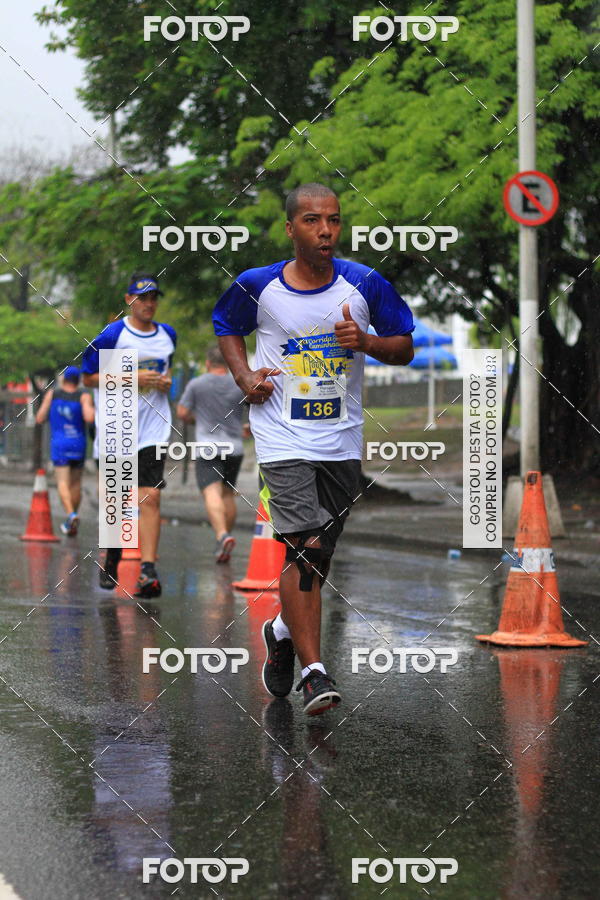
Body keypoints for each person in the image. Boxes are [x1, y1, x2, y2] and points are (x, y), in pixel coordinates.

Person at [213, 183, 414, 716]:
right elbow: (227, 326)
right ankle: (315, 672)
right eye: (312, 221)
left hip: (341, 440)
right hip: (281, 438)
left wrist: (367, 343)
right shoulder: (258, 286)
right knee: (302, 546)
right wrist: (243, 375)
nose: (325, 230)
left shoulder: (365, 283)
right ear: (291, 228)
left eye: (333, 220)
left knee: (318, 555)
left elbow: (404, 347)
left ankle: (281, 631)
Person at [82, 273, 176, 599]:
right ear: (128, 300)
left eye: (153, 298)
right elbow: (89, 378)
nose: (148, 303)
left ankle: (148, 569)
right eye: (142, 298)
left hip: (153, 429)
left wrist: (165, 383)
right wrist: (132, 377)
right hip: (116, 427)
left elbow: (167, 371)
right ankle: (112, 555)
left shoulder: (168, 335)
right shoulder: (112, 335)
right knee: (117, 501)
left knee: (151, 495)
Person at [176, 346, 247, 563]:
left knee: (211, 492)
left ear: (207, 363)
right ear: (226, 361)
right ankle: (224, 541)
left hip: (208, 446)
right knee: (227, 494)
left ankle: (222, 535)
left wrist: (195, 419)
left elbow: (181, 412)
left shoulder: (197, 384)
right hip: (235, 447)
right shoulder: (238, 384)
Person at [35, 366, 95, 536]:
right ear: (78, 381)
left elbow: (39, 417)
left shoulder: (53, 394)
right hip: (78, 443)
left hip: (60, 444)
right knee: (76, 484)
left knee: (62, 482)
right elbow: (89, 417)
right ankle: (72, 523)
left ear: (64, 380)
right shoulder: (83, 396)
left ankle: (71, 514)